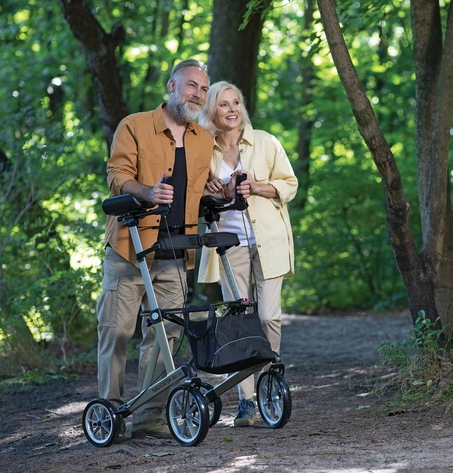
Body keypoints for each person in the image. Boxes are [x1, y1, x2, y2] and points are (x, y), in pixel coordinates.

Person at [95, 59, 213, 438]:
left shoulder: (204, 139)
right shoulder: (134, 126)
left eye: (203, 88)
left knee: (165, 337)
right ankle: (109, 413)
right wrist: (146, 192)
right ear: (171, 86)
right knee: (117, 331)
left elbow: (203, 186)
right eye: (191, 85)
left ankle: (148, 416)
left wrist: (222, 191)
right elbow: (116, 176)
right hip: (130, 247)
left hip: (176, 253)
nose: (198, 93)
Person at [197, 81, 298, 427]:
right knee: (239, 321)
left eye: (236, 102)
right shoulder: (202, 150)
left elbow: (290, 184)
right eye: (223, 104)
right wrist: (209, 191)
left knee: (268, 317)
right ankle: (246, 401)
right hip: (228, 247)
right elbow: (193, 194)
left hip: (268, 241)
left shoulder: (266, 142)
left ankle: (270, 385)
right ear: (212, 110)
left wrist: (256, 186)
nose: (232, 109)